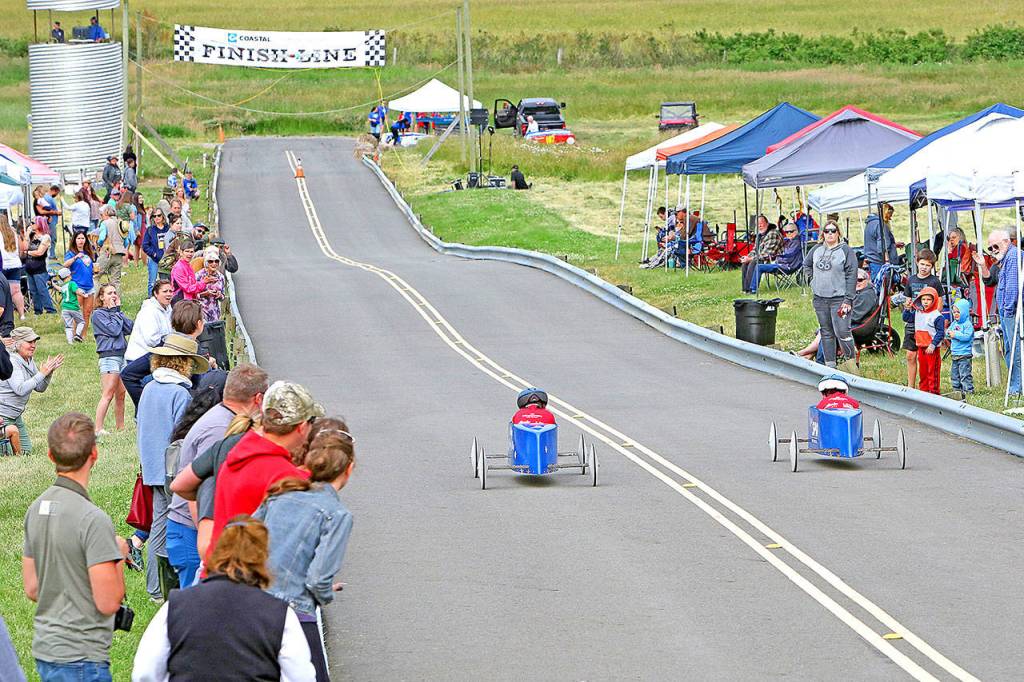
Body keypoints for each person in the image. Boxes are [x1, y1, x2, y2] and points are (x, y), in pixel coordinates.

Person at [131, 516, 316, 682]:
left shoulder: (176, 605)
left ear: (217, 552)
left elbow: (144, 672)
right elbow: (301, 676)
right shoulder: (279, 613)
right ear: (263, 558)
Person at [23, 413, 128, 682]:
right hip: (81, 657)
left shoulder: (35, 509)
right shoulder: (93, 520)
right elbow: (108, 602)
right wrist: (118, 556)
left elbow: (33, 588)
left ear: (50, 455)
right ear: (94, 454)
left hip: (46, 649)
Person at [255, 425, 355, 682]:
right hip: (295, 613)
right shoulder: (337, 514)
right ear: (349, 468)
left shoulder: (281, 493)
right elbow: (317, 578)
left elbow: (245, 537)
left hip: (254, 606)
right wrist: (323, 594)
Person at [166, 364, 269, 588]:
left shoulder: (222, 419)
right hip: (192, 532)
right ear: (258, 399)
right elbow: (202, 488)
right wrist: (210, 543)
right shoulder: (219, 430)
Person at [209, 381, 323, 556]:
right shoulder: (286, 475)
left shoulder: (238, 455)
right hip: (255, 575)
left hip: (220, 567)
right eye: (311, 421)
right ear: (301, 427)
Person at [123, 299, 204, 409]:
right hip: (181, 415)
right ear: (199, 324)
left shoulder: (164, 346)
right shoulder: (186, 352)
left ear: (172, 323)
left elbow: (128, 374)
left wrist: (146, 405)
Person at [803, 221, 858, 370]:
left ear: (839, 233)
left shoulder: (846, 251)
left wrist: (848, 299)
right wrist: (812, 280)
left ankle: (851, 365)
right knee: (826, 332)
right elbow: (806, 264)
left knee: (842, 331)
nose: (830, 234)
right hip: (820, 299)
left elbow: (852, 275)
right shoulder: (816, 249)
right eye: (827, 231)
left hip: (839, 299)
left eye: (833, 231)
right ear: (823, 234)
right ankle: (829, 367)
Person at [0, 327, 62, 453]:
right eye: (29, 342)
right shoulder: (12, 360)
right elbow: (20, 389)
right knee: (9, 455)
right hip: (3, 416)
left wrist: (48, 373)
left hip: (16, 416)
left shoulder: (28, 359)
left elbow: (40, 388)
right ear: (17, 343)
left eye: (35, 342)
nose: (33, 345)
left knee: (26, 452)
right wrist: (42, 373)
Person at [797, 269, 878, 361]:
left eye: (859, 280)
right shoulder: (860, 292)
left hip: (861, 328)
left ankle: (813, 357)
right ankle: (808, 355)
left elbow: (856, 316)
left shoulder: (866, 295)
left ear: (867, 280)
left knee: (829, 330)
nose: (856, 282)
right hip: (855, 323)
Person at [900, 249, 945, 390]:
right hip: (914, 321)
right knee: (910, 355)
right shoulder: (911, 280)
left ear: (932, 267)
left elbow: (940, 302)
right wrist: (907, 306)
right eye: (922, 264)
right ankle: (910, 386)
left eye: (928, 265)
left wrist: (932, 318)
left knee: (927, 357)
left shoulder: (934, 281)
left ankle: (929, 386)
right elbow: (908, 300)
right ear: (917, 263)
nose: (924, 267)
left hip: (928, 324)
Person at [92, 284, 133, 436]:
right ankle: (98, 428)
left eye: (115, 293)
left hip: (123, 355)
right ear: (101, 297)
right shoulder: (98, 315)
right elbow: (114, 330)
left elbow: (130, 328)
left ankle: (120, 427)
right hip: (109, 356)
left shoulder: (116, 313)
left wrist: (118, 312)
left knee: (121, 394)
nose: (113, 296)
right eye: (109, 293)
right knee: (108, 393)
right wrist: (115, 313)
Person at [984, 229, 1021, 396]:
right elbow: (990, 280)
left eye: (995, 246)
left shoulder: (1013, 257)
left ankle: (1016, 388)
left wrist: (1007, 310)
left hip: (1012, 312)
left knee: (1015, 350)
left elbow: (1013, 287)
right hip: (1009, 311)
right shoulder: (1007, 258)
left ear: (1006, 242)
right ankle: (1014, 385)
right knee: (1010, 349)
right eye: (990, 248)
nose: (993, 250)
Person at [901, 286, 945, 394]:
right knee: (923, 371)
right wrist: (907, 309)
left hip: (932, 348)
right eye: (923, 299)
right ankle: (923, 391)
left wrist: (933, 344)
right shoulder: (918, 312)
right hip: (920, 346)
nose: (925, 302)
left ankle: (933, 392)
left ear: (934, 300)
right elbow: (906, 318)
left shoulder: (937, 316)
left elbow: (940, 333)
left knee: (932, 371)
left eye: (929, 300)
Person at [125, 280, 173, 363]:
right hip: (138, 358)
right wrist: (170, 341)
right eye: (165, 291)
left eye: (170, 291)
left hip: (156, 357)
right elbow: (151, 340)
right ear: (155, 293)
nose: (169, 294)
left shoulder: (169, 310)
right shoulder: (149, 311)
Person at [751, 223, 803, 294]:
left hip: (787, 267)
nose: (789, 233)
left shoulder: (796, 242)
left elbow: (788, 257)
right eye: (787, 232)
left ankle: (753, 290)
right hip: (783, 264)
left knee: (759, 267)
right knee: (759, 265)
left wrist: (777, 259)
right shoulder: (788, 241)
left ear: (797, 231)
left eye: (791, 231)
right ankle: (751, 288)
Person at [64, 231, 96, 337]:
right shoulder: (71, 253)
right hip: (77, 286)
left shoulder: (89, 252)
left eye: (83, 238)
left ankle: (83, 336)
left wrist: (94, 270)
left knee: (87, 313)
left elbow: (90, 266)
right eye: (78, 238)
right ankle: (74, 334)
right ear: (74, 240)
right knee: (76, 312)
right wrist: (75, 257)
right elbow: (65, 264)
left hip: (89, 286)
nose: (81, 241)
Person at [740, 215, 782, 293]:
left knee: (753, 262)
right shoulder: (760, 235)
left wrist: (751, 259)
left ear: (767, 223)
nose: (759, 226)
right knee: (745, 263)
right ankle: (745, 289)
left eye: (761, 223)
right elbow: (754, 250)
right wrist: (747, 257)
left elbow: (768, 253)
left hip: (774, 260)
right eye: (757, 224)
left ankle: (751, 289)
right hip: (764, 258)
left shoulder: (773, 233)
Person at [24, 219, 56, 316]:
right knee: (33, 290)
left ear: (40, 224)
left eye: (33, 223)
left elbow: (40, 252)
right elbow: (24, 247)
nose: (31, 224)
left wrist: (28, 253)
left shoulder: (46, 237)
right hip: (29, 267)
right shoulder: (31, 236)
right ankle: (38, 311)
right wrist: (27, 235)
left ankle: (50, 310)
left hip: (40, 268)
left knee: (42, 289)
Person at [862, 203, 900, 280]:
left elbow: (875, 241)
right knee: (882, 288)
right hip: (879, 263)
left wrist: (894, 244)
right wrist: (887, 262)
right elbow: (882, 246)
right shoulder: (880, 225)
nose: (890, 218)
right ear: (886, 213)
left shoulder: (870, 223)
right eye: (890, 215)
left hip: (873, 261)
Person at [948, 298, 975, 400]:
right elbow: (949, 331)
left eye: (958, 312)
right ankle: (957, 391)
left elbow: (967, 337)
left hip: (964, 354)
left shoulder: (967, 325)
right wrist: (948, 333)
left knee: (965, 374)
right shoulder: (954, 323)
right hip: (955, 354)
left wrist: (955, 334)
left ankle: (968, 391)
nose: (956, 314)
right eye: (954, 312)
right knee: (955, 374)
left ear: (964, 311)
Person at [0, 214, 25, 320]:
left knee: (2, 291)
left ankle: (5, 314)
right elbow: (21, 249)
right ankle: (22, 314)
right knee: (16, 291)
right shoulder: (14, 233)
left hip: (3, 265)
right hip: (15, 264)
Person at [142, 208, 170, 294]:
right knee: (152, 283)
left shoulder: (168, 228)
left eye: (159, 215)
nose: (157, 217)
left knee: (165, 282)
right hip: (154, 259)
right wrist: (153, 254)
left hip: (167, 260)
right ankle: (151, 301)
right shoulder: (150, 230)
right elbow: (145, 245)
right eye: (154, 216)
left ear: (163, 216)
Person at [56, 268, 85, 344]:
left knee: (68, 326)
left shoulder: (63, 286)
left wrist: (53, 284)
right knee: (81, 322)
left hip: (65, 308)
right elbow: (77, 291)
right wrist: (84, 295)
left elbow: (59, 289)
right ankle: (77, 335)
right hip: (73, 307)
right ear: (68, 276)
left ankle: (70, 342)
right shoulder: (72, 283)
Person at [198, 246, 225, 322]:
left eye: (216, 261)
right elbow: (193, 294)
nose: (214, 264)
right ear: (206, 262)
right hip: (201, 311)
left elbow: (223, 296)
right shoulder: (199, 275)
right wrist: (205, 294)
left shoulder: (221, 277)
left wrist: (219, 295)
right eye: (211, 261)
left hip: (215, 313)